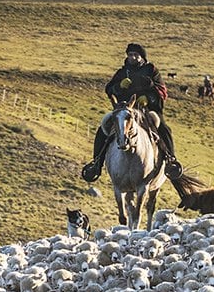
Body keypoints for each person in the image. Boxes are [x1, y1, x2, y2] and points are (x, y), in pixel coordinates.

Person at [79, 42, 191, 186]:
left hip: (146, 110)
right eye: (130, 55)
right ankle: (96, 163)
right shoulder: (122, 72)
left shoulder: (151, 70)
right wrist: (119, 87)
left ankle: (171, 160)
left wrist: (149, 96)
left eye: (135, 55)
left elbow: (162, 91)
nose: (132, 57)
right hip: (125, 109)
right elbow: (109, 90)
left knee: (163, 128)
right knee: (104, 127)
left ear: (142, 57)